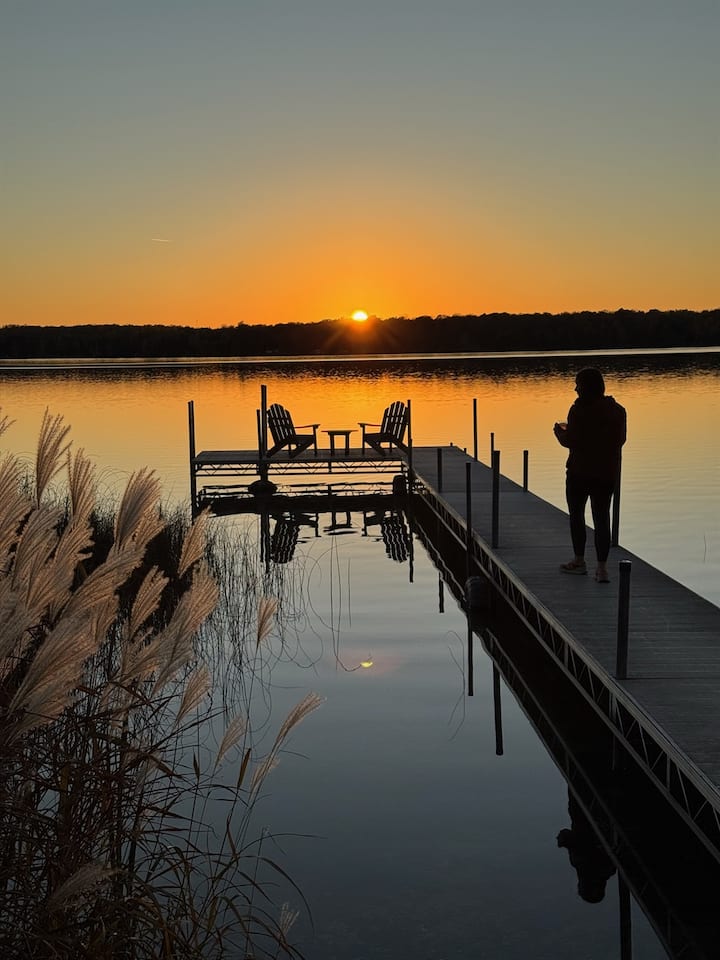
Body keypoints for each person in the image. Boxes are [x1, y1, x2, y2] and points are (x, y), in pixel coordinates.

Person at [553, 368, 626, 583]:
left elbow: (572, 440)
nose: (575, 389)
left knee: (577, 516)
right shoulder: (618, 411)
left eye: (578, 384)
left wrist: (559, 433)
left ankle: (579, 561)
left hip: (580, 472)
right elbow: (620, 440)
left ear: (586, 387)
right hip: (606, 474)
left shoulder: (578, 411)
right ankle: (602, 569)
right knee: (602, 518)